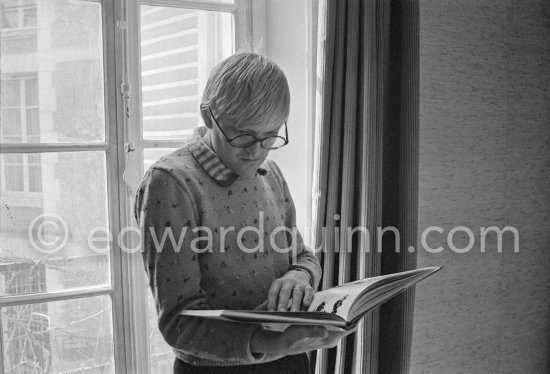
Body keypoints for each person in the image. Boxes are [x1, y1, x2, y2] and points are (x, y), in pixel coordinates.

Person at [134, 52, 347, 374]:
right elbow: (179, 323)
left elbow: (303, 255)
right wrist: (271, 343)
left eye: (270, 135)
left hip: (291, 360)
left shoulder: (271, 172)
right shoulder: (171, 183)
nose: (256, 152)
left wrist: (298, 277)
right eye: (243, 134)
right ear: (208, 116)